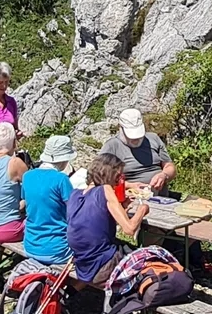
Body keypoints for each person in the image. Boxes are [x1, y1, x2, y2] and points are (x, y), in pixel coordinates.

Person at [66, 153, 149, 286]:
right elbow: (129, 229)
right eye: (118, 176)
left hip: (83, 265)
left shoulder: (74, 194)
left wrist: (122, 207)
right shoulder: (105, 189)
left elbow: (96, 223)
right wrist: (143, 209)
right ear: (110, 173)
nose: (119, 181)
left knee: (124, 246)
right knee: (149, 257)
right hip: (103, 265)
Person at [21, 137, 79, 266]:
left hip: (30, 246)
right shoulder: (61, 179)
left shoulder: (27, 176)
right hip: (58, 250)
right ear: (63, 159)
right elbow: (74, 211)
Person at [100, 109, 175, 196]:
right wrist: (129, 186)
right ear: (121, 129)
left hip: (161, 198)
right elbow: (101, 177)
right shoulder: (112, 146)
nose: (135, 139)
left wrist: (164, 175)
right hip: (131, 198)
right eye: (131, 136)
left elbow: (169, 166)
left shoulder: (153, 139)